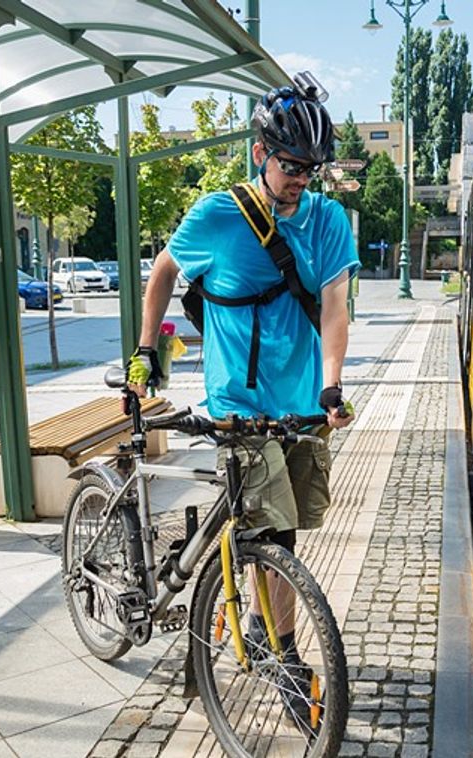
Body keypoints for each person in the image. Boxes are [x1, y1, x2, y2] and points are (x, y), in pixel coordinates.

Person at [128, 80, 358, 729]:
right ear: (260, 152)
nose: (299, 181)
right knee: (273, 530)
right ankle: (282, 654)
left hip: (301, 406)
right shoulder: (215, 215)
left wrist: (331, 386)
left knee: (287, 525)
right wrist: (147, 350)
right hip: (236, 402)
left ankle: (257, 620)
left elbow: (336, 306)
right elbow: (163, 273)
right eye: (290, 166)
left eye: (309, 170)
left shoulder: (327, 220)